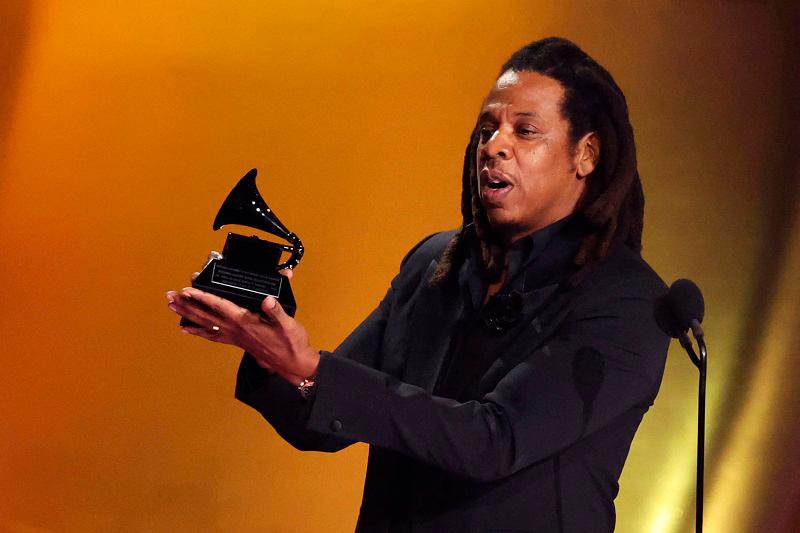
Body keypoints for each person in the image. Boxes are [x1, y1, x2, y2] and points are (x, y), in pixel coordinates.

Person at [167, 37, 670, 532]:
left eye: (525, 131)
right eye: (487, 128)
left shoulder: (628, 302)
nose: (494, 146)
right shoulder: (436, 266)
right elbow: (318, 421)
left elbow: (494, 442)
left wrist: (311, 367)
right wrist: (267, 348)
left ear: (586, 154)